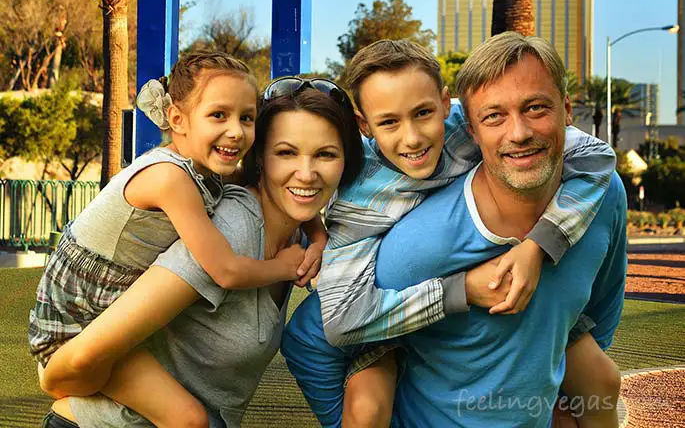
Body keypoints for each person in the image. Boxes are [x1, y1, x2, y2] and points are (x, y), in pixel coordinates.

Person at [283, 36, 622, 428]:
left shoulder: (474, 123)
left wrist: (538, 246)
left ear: (446, 105)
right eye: (389, 122)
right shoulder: (362, 206)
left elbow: (596, 156)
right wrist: (460, 290)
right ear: (365, 126)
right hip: (399, 316)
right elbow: (338, 322)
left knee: (601, 378)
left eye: (424, 113)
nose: (412, 137)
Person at [39, 76, 364, 428]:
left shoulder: (297, 237)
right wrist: (54, 377)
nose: (306, 173)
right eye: (285, 152)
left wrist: (318, 237)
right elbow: (77, 359)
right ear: (259, 159)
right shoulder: (232, 231)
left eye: (326, 154)